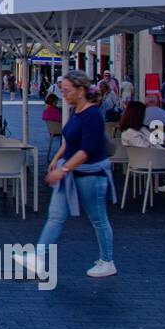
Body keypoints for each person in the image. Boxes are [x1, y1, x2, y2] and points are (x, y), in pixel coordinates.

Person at [20, 70, 117, 279]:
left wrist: (63, 170)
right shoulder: (76, 111)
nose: (63, 93)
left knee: (98, 219)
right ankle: (38, 257)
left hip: (91, 174)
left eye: (66, 90)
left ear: (81, 90)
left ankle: (107, 260)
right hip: (71, 173)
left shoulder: (92, 115)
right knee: (55, 216)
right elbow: (69, 140)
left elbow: (86, 150)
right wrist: (56, 158)